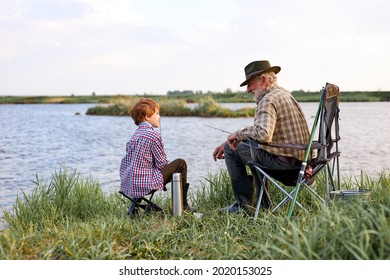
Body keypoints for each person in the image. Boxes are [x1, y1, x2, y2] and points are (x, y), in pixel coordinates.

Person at [213, 60, 311, 214]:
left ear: (264, 80)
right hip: (304, 166)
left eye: (250, 83)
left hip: (287, 169)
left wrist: (236, 135)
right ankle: (262, 205)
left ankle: (243, 207)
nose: (248, 89)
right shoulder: (284, 94)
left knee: (231, 149)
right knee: (252, 150)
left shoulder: (268, 99)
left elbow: (263, 134)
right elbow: (265, 135)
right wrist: (240, 137)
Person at [120, 98, 193, 211]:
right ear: (147, 116)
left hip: (129, 184)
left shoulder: (135, 135)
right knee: (180, 163)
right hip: (144, 186)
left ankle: (134, 209)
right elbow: (162, 164)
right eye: (157, 114)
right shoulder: (153, 136)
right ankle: (183, 206)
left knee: (140, 170)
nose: (160, 117)